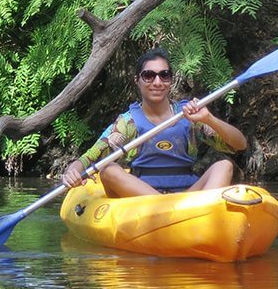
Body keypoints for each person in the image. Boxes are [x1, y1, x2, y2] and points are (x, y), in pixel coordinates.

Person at [61, 47, 246, 197]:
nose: (157, 82)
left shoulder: (189, 116)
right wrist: (72, 171)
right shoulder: (128, 122)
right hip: (143, 200)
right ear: (137, 80)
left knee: (224, 165)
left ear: (170, 80)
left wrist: (209, 119)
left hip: (188, 196)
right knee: (109, 170)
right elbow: (88, 159)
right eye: (149, 75)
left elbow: (239, 144)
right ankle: (165, 207)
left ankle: (202, 213)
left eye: (164, 75)